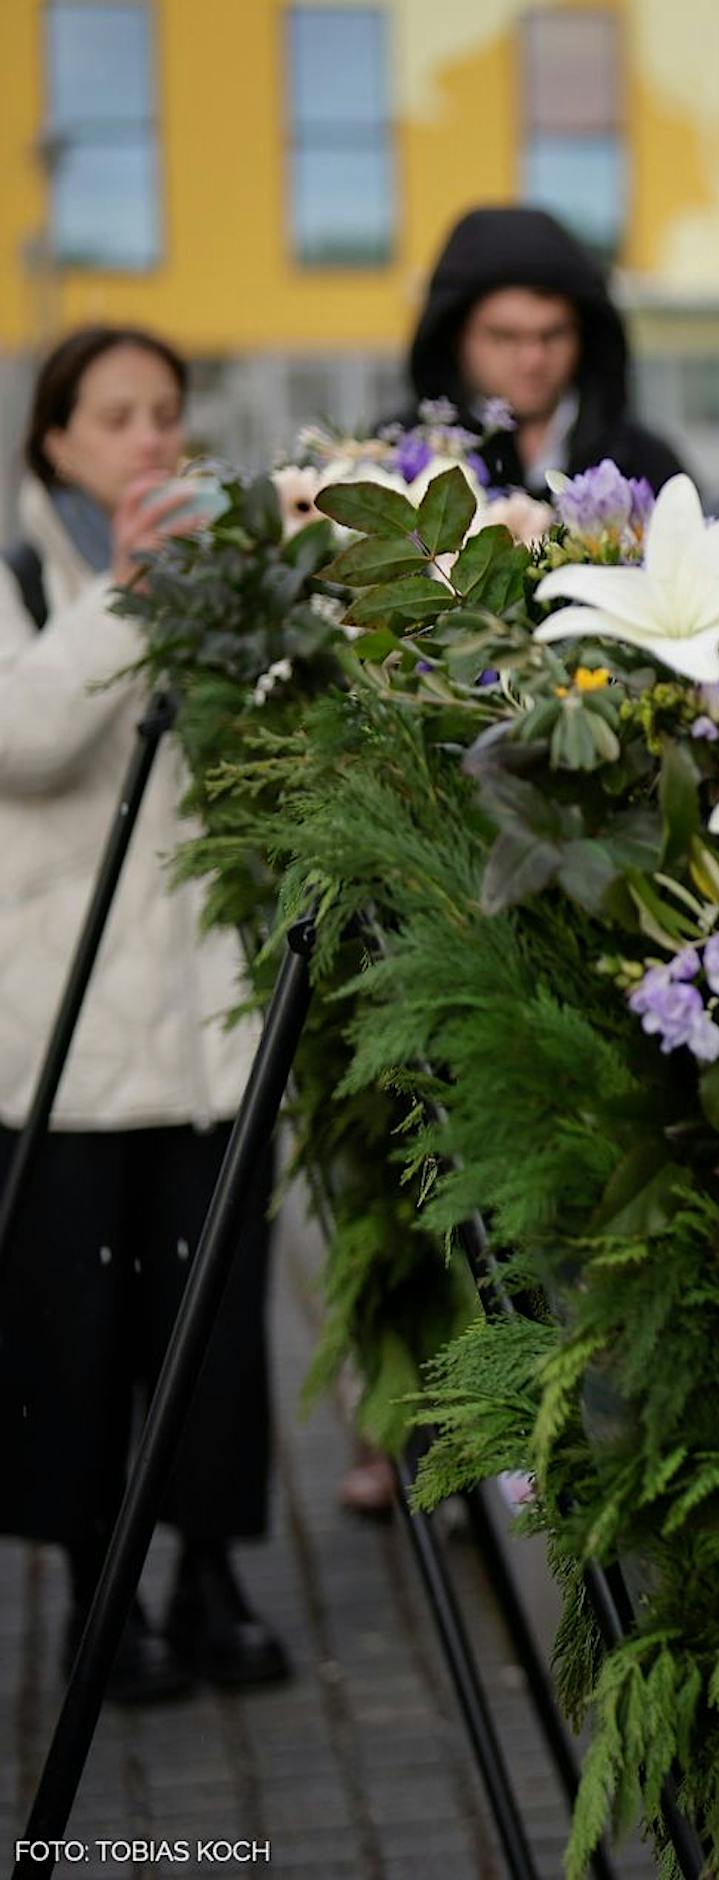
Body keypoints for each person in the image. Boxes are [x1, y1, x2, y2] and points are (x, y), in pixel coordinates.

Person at [0, 327, 288, 1704]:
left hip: (211, 1027)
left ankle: (211, 1577)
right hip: (61, 1041)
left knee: (215, 1329)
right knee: (76, 1334)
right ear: (54, 436)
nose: (150, 438)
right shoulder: (19, 576)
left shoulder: (220, 577)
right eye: (116, 414)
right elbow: (21, 741)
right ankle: (94, 1596)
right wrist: (124, 596)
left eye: (166, 411)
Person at [402, 204, 687, 496]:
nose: (533, 360)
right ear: (455, 339)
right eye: (504, 337)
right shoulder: (396, 462)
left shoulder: (647, 465)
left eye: (553, 335)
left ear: (586, 336)